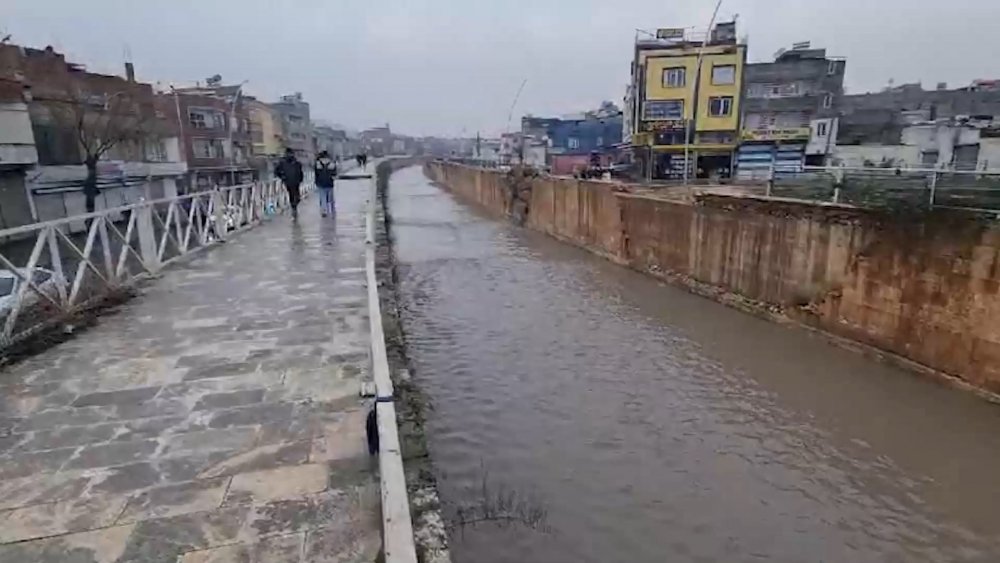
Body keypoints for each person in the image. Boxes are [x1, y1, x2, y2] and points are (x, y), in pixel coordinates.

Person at [274, 148, 304, 217]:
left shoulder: (296, 162)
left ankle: (295, 205)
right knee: (292, 194)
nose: (290, 155)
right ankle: (293, 207)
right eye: (289, 153)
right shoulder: (282, 162)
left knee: (296, 195)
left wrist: (301, 178)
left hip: (296, 181)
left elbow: (300, 171)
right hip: (288, 181)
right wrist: (282, 177)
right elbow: (276, 171)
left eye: (291, 153)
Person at [314, 150, 338, 217]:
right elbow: (335, 173)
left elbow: (316, 174)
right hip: (329, 183)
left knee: (323, 197)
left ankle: (324, 211)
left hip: (321, 183)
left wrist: (316, 181)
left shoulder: (318, 163)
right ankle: (332, 209)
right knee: (330, 198)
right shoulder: (332, 163)